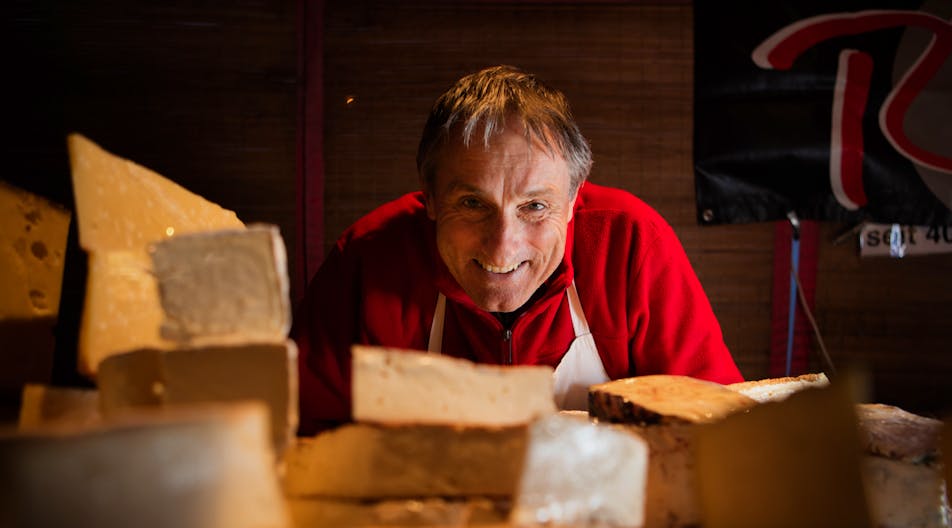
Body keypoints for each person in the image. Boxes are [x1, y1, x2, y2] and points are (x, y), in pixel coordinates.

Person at [291, 65, 742, 434]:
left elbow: (715, 427)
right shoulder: (369, 258)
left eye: (535, 206)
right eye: (472, 203)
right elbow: (301, 435)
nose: (503, 245)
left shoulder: (629, 242)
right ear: (428, 197)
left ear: (571, 201)